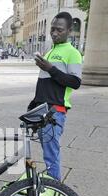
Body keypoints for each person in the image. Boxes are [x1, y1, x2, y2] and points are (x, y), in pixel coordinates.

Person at [29, 12, 83, 181]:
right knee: (47, 153)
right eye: (52, 29)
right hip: (42, 110)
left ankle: (56, 193)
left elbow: (75, 82)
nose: (54, 33)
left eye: (59, 30)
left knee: (51, 157)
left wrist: (50, 69)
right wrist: (32, 107)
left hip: (55, 111)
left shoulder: (72, 53)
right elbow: (45, 83)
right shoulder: (51, 50)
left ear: (69, 30)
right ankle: (52, 186)